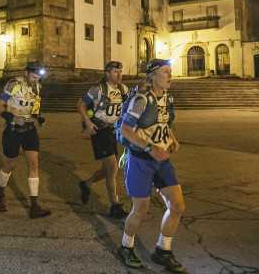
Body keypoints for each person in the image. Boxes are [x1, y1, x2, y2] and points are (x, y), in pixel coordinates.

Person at [116, 59, 186, 273]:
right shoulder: (141, 100)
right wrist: (149, 148)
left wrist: (171, 138)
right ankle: (126, 246)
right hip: (140, 160)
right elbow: (125, 130)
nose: (170, 75)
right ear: (153, 75)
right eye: (166, 72)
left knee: (177, 206)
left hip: (161, 160)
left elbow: (163, 123)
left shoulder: (166, 97)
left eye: (171, 72)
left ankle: (163, 250)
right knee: (140, 209)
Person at [0, 61, 51, 218]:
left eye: (38, 78)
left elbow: (35, 104)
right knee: (10, 165)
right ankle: (1, 194)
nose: (35, 80)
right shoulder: (13, 85)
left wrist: (38, 117)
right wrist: (11, 117)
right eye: (33, 77)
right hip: (12, 130)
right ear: (26, 73)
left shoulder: (37, 87)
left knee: (34, 163)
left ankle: (34, 206)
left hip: (29, 129)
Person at [76, 60, 128, 219]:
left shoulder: (123, 89)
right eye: (115, 72)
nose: (119, 74)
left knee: (108, 169)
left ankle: (87, 184)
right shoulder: (98, 89)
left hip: (113, 131)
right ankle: (115, 204)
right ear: (107, 73)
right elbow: (81, 104)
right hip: (100, 130)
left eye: (120, 71)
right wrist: (88, 122)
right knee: (112, 167)